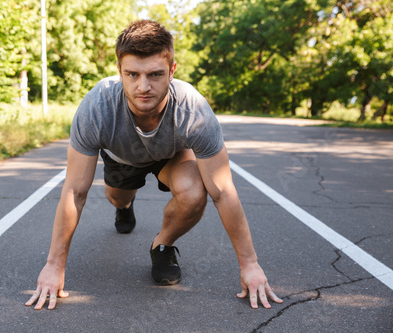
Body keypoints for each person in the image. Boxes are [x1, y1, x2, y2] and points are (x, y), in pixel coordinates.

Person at [26, 20, 283, 310]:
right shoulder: (97, 107)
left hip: (170, 155)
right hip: (122, 158)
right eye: (132, 74)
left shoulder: (193, 110)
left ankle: (162, 245)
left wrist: (250, 264)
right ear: (119, 71)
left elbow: (223, 190)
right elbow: (74, 191)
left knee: (196, 191)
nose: (143, 87)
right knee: (117, 197)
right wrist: (53, 266)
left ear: (172, 71)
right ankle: (124, 208)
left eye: (155, 74)